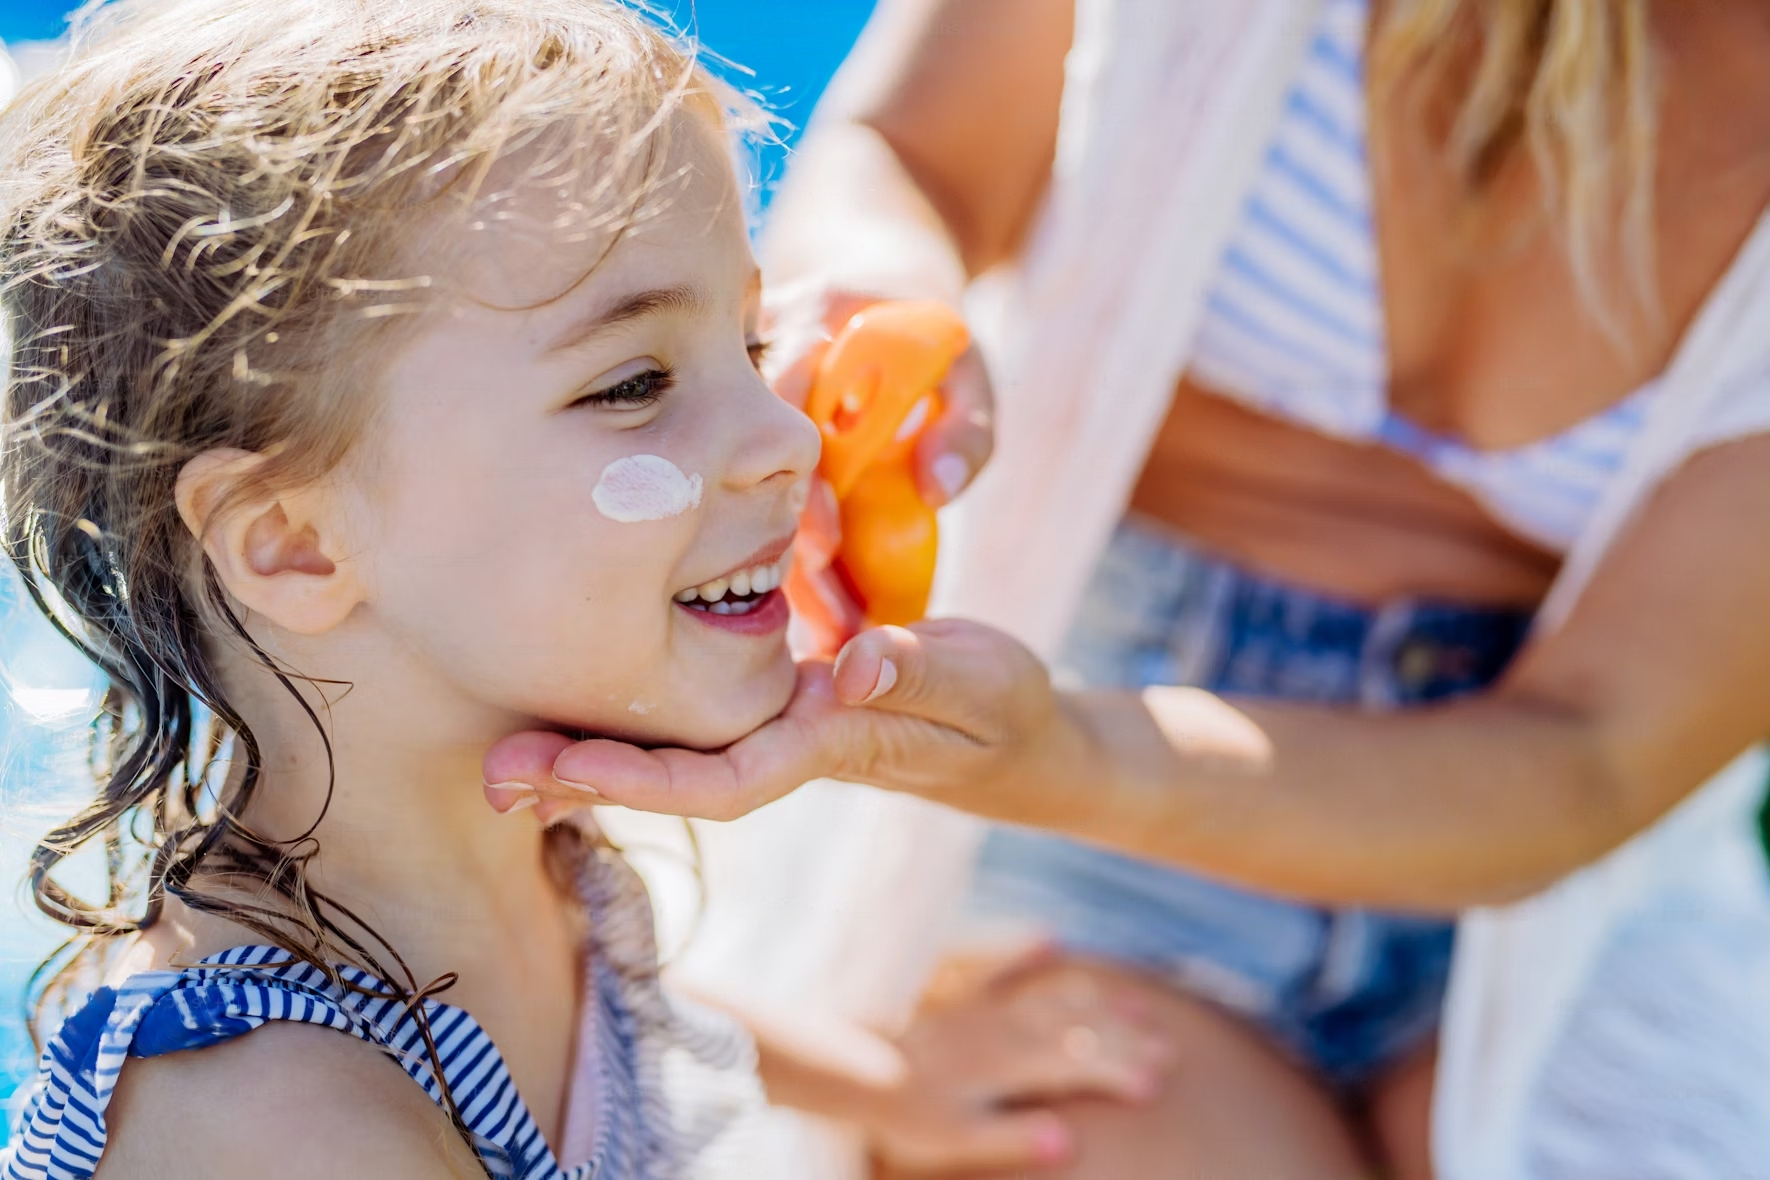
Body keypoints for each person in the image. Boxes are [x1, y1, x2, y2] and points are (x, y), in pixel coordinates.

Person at [485, 0, 1770, 1175]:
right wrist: (877, 301)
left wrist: (1055, 750)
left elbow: (1589, 758)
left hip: (1543, 880)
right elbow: (914, 158)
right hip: (1081, 763)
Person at [0, 3, 1169, 1176]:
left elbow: (622, 1002)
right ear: (295, 542)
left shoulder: (522, 835)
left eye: (752, 347)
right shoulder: (281, 1121)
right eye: (635, 382)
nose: (787, 437)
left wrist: (885, 1081)